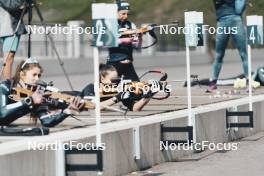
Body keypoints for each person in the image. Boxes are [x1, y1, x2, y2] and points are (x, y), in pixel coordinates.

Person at [0, 57, 84, 127]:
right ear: (22, 75)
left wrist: (67, 111)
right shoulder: (5, 87)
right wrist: (30, 100)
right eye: (34, 75)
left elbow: (47, 121)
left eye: (39, 75)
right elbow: (1, 113)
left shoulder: (36, 92)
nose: (37, 79)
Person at [208, 0, 248, 92]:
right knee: (221, 55)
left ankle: (249, 83)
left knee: (241, 54)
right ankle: (213, 83)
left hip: (231, 20)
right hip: (226, 21)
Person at [81, 64, 160, 112]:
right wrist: (117, 98)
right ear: (102, 79)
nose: (116, 82)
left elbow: (134, 108)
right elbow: (93, 107)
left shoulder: (119, 88)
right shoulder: (91, 88)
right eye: (113, 80)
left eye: (117, 79)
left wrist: (148, 96)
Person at [107, 1, 141, 82]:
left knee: (137, 88)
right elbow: (105, 43)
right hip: (114, 63)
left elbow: (136, 45)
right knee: (106, 88)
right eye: (123, 14)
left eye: (127, 14)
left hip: (128, 63)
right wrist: (123, 41)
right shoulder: (109, 24)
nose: (126, 16)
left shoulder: (131, 25)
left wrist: (139, 37)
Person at [0, 0, 28, 80]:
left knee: (8, 58)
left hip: (11, 28)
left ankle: (7, 85)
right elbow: (11, 5)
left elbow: (21, 9)